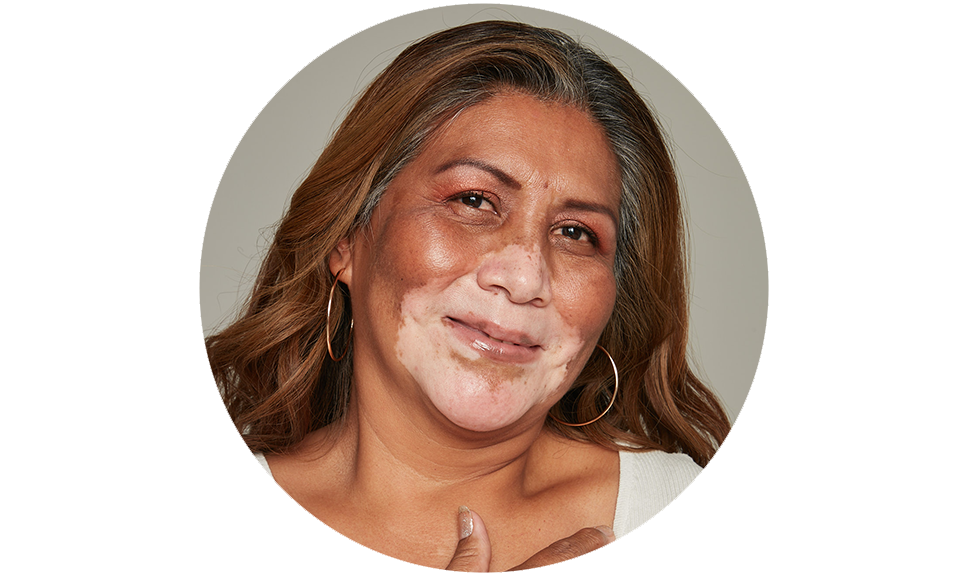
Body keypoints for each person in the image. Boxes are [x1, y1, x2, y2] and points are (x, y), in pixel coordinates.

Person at [199, 20, 768, 572]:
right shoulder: (198, 533)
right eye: (473, 201)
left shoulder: (715, 535)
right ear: (346, 238)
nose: (523, 278)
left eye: (576, 233)